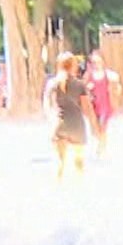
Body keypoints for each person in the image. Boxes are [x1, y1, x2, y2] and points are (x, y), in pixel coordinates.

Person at [43, 53, 97, 182]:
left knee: (59, 163)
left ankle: (58, 189)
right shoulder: (80, 85)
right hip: (76, 125)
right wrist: (94, 125)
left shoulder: (52, 84)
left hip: (59, 124)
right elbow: (87, 108)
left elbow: (46, 105)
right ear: (74, 66)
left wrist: (51, 119)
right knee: (79, 163)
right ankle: (79, 190)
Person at [87, 51, 122, 155]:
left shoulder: (109, 75)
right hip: (94, 105)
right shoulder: (89, 76)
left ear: (102, 62)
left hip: (106, 104)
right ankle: (101, 142)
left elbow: (118, 88)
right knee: (95, 128)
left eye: (98, 61)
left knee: (103, 126)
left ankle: (101, 146)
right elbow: (84, 90)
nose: (96, 64)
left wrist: (116, 94)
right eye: (94, 62)